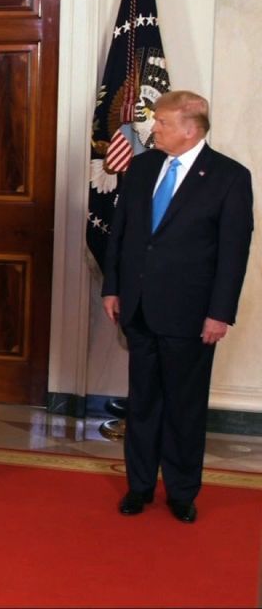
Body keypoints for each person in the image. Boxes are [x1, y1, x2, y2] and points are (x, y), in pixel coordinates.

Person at [102, 90, 253, 523]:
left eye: (162, 123)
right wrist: (112, 288)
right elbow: (123, 234)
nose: (154, 129)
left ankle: (183, 491)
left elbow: (232, 254)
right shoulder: (143, 166)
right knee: (143, 401)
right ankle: (140, 486)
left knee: (185, 406)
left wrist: (219, 313)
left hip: (192, 314)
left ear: (190, 129)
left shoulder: (229, 177)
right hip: (138, 307)